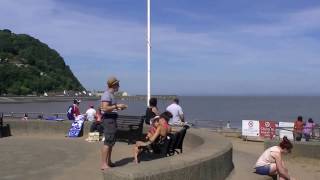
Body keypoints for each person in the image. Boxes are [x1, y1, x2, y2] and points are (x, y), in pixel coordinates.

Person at [100, 76, 127, 170]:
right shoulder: (107, 94)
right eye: (118, 84)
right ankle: (103, 164)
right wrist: (117, 105)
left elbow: (110, 108)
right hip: (109, 120)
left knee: (111, 142)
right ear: (114, 85)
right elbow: (104, 108)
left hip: (111, 119)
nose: (119, 86)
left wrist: (118, 107)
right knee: (107, 142)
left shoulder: (111, 95)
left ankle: (108, 161)